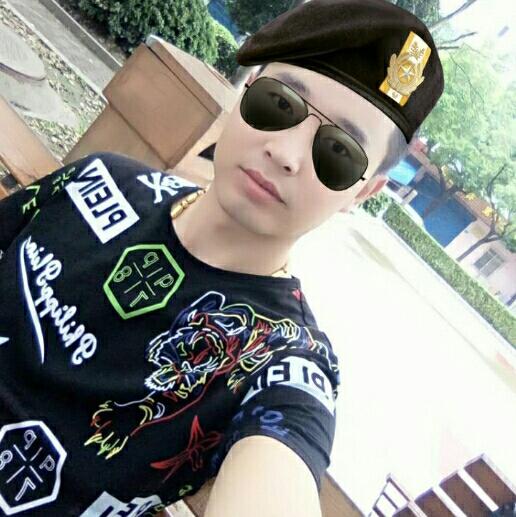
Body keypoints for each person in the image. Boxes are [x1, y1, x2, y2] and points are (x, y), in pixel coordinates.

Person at [0, 0, 443, 515]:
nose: (286, 154)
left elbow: (280, 465)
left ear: (363, 193)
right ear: (243, 90)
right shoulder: (100, 181)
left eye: (338, 152)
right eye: (279, 104)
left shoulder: (278, 360)